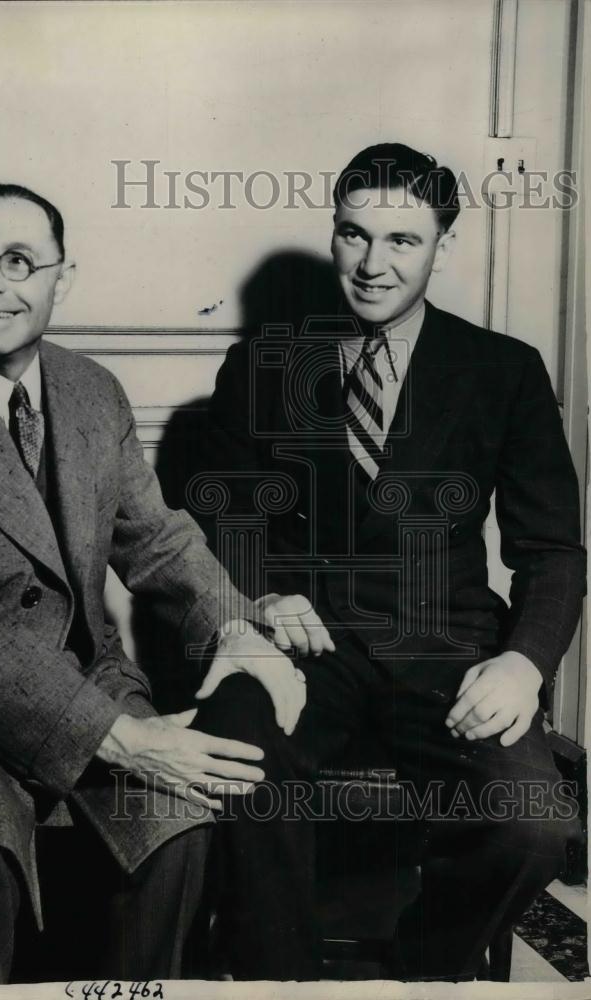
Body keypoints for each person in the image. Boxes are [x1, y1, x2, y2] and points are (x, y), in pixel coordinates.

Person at [0, 183, 308, 985]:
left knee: (179, 825)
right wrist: (123, 737)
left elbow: (156, 540)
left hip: (83, 681)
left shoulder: (92, 391)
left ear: (63, 277)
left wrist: (236, 629)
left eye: (20, 261)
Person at [197, 143, 586, 980]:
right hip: (306, 648)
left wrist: (521, 664)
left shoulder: (504, 371)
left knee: (534, 825)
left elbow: (551, 549)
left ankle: (420, 971)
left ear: (442, 246)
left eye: (401, 241)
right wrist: (261, 594)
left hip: (446, 652)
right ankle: (279, 981)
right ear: (333, 234)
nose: (372, 265)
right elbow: (218, 511)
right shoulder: (264, 361)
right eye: (353, 235)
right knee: (231, 747)